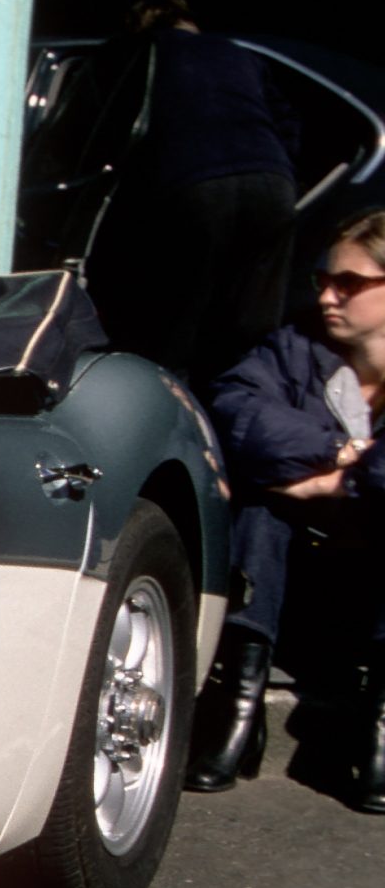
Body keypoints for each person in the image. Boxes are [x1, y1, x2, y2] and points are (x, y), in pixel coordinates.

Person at [185, 209, 385, 809]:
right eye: (323, 278)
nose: (327, 294)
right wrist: (335, 450)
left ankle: (380, 716)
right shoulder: (295, 347)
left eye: (349, 284)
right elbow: (234, 409)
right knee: (258, 505)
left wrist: (336, 486)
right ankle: (236, 700)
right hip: (295, 585)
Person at [86, 0, 300, 391]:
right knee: (251, 328)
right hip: (272, 182)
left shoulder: (134, 53)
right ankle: (252, 409)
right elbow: (287, 126)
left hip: (190, 186)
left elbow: (101, 135)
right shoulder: (237, 53)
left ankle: (174, 421)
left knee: (175, 326)